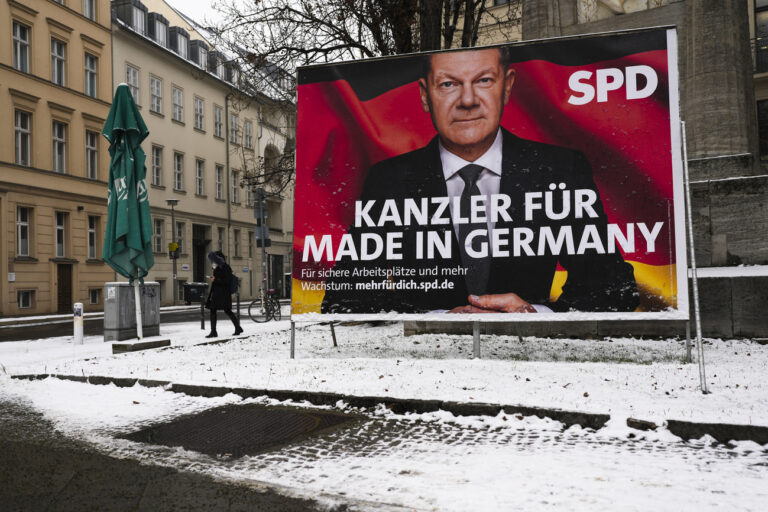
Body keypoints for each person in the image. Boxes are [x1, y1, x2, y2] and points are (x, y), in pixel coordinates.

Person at [321, 47, 638, 314]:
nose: (468, 100)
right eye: (448, 85)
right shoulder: (388, 181)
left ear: (508, 85)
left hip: (533, 369)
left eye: (484, 80)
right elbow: (345, 298)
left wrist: (536, 315)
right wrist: (434, 319)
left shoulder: (559, 171)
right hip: (428, 370)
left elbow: (615, 289)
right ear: (424, 95)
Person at [205, 250, 243, 337]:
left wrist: (215, 280)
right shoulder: (218, 267)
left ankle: (236, 328)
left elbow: (227, 281)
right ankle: (215, 331)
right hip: (217, 293)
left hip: (223, 293)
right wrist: (214, 279)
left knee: (226, 310)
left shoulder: (225, 267)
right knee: (215, 310)